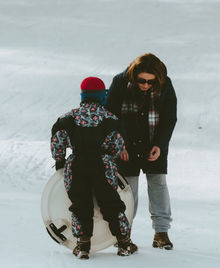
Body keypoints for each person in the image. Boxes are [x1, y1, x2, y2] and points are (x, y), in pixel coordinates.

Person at [50, 77, 137, 259]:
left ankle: (83, 245)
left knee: (80, 204)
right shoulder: (110, 119)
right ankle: (123, 243)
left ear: (83, 95)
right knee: (110, 203)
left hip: (76, 165)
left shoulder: (69, 117)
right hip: (102, 165)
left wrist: (60, 160)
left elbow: (57, 138)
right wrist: (110, 156)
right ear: (101, 96)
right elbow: (117, 143)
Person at [106, 53, 177, 250]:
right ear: (134, 75)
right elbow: (111, 116)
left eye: (150, 82)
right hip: (126, 144)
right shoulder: (120, 82)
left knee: (158, 183)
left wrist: (160, 145)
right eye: (141, 81)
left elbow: (170, 118)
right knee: (128, 188)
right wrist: (120, 144)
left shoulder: (165, 84)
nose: (145, 85)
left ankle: (161, 233)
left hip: (153, 142)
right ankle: (124, 232)